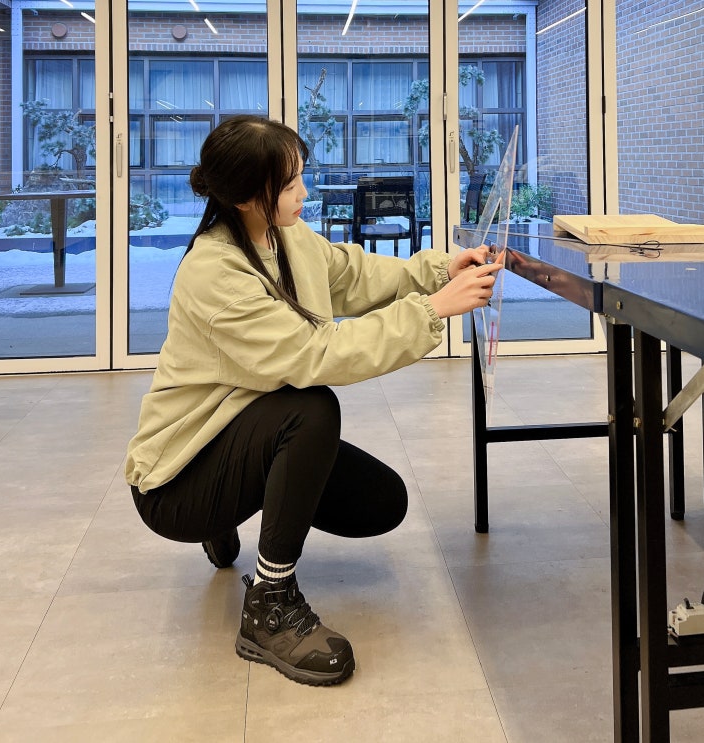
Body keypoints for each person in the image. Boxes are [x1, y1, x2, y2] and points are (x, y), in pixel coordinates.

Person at [125, 114, 502, 687]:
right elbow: (318, 354)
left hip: (235, 430)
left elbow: (351, 274)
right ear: (247, 197)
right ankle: (270, 605)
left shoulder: (283, 234)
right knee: (310, 409)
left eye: (302, 175)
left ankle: (233, 507)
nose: (305, 192)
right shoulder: (213, 273)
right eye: (290, 183)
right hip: (177, 482)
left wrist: (438, 269)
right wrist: (434, 310)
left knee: (381, 503)